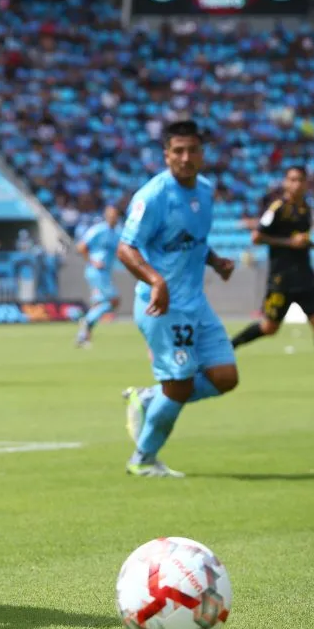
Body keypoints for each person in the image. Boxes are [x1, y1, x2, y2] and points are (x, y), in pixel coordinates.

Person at [117, 120, 239, 478]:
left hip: (196, 303)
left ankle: (150, 398)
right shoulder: (153, 196)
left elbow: (193, 240)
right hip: (162, 306)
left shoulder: (205, 190)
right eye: (178, 151)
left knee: (225, 377)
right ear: (166, 155)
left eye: (193, 151)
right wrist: (156, 280)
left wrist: (215, 261)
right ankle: (143, 459)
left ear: (202, 154)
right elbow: (126, 248)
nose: (186, 158)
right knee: (180, 385)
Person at [230, 166, 314, 393]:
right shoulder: (277, 208)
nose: (296, 184)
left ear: (306, 183)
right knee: (269, 327)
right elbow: (257, 237)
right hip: (281, 280)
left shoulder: (307, 209)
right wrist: (288, 242)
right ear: (285, 183)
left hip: (305, 278)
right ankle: (228, 347)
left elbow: (303, 239)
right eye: (292, 179)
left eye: (300, 180)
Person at [75, 205, 122, 348]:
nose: (113, 218)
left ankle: (83, 337)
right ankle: (87, 320)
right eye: (111, 215)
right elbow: (81, 246)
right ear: (106, 216)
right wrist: (93, 261)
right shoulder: (98, 230)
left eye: (115, 215)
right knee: (114, 301)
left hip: (105, 272)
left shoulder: (118, 233)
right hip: (97, 272)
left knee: (98, 304)